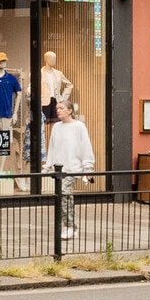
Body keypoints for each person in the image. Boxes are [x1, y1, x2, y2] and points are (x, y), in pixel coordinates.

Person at [44, 99, 97, 239]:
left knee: (64, 194)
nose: (59, 111)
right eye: (57, 109)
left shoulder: (79, 126)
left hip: (73, 168)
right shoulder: (56, 127)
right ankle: (70, 226)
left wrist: (88, 167)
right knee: (63, 197)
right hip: (59, 169)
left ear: (70, 110)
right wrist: (47, 166)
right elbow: (52, 147)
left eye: (62, 108)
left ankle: (69, 226)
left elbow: (85, 146)